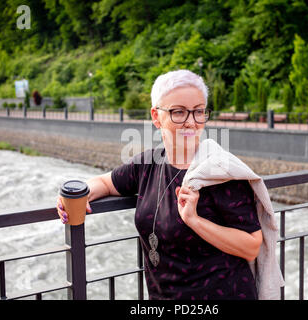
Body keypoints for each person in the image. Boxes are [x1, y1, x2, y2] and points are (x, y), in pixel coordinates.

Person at [56, 70, 263, 300]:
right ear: (156, 116)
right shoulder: (147, 164)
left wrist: (195, 221)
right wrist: (80, 194)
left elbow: (251, 246)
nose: (191, 121)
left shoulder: (220, 171)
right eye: (178, 112)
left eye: (198, 111)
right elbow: (105, 182)